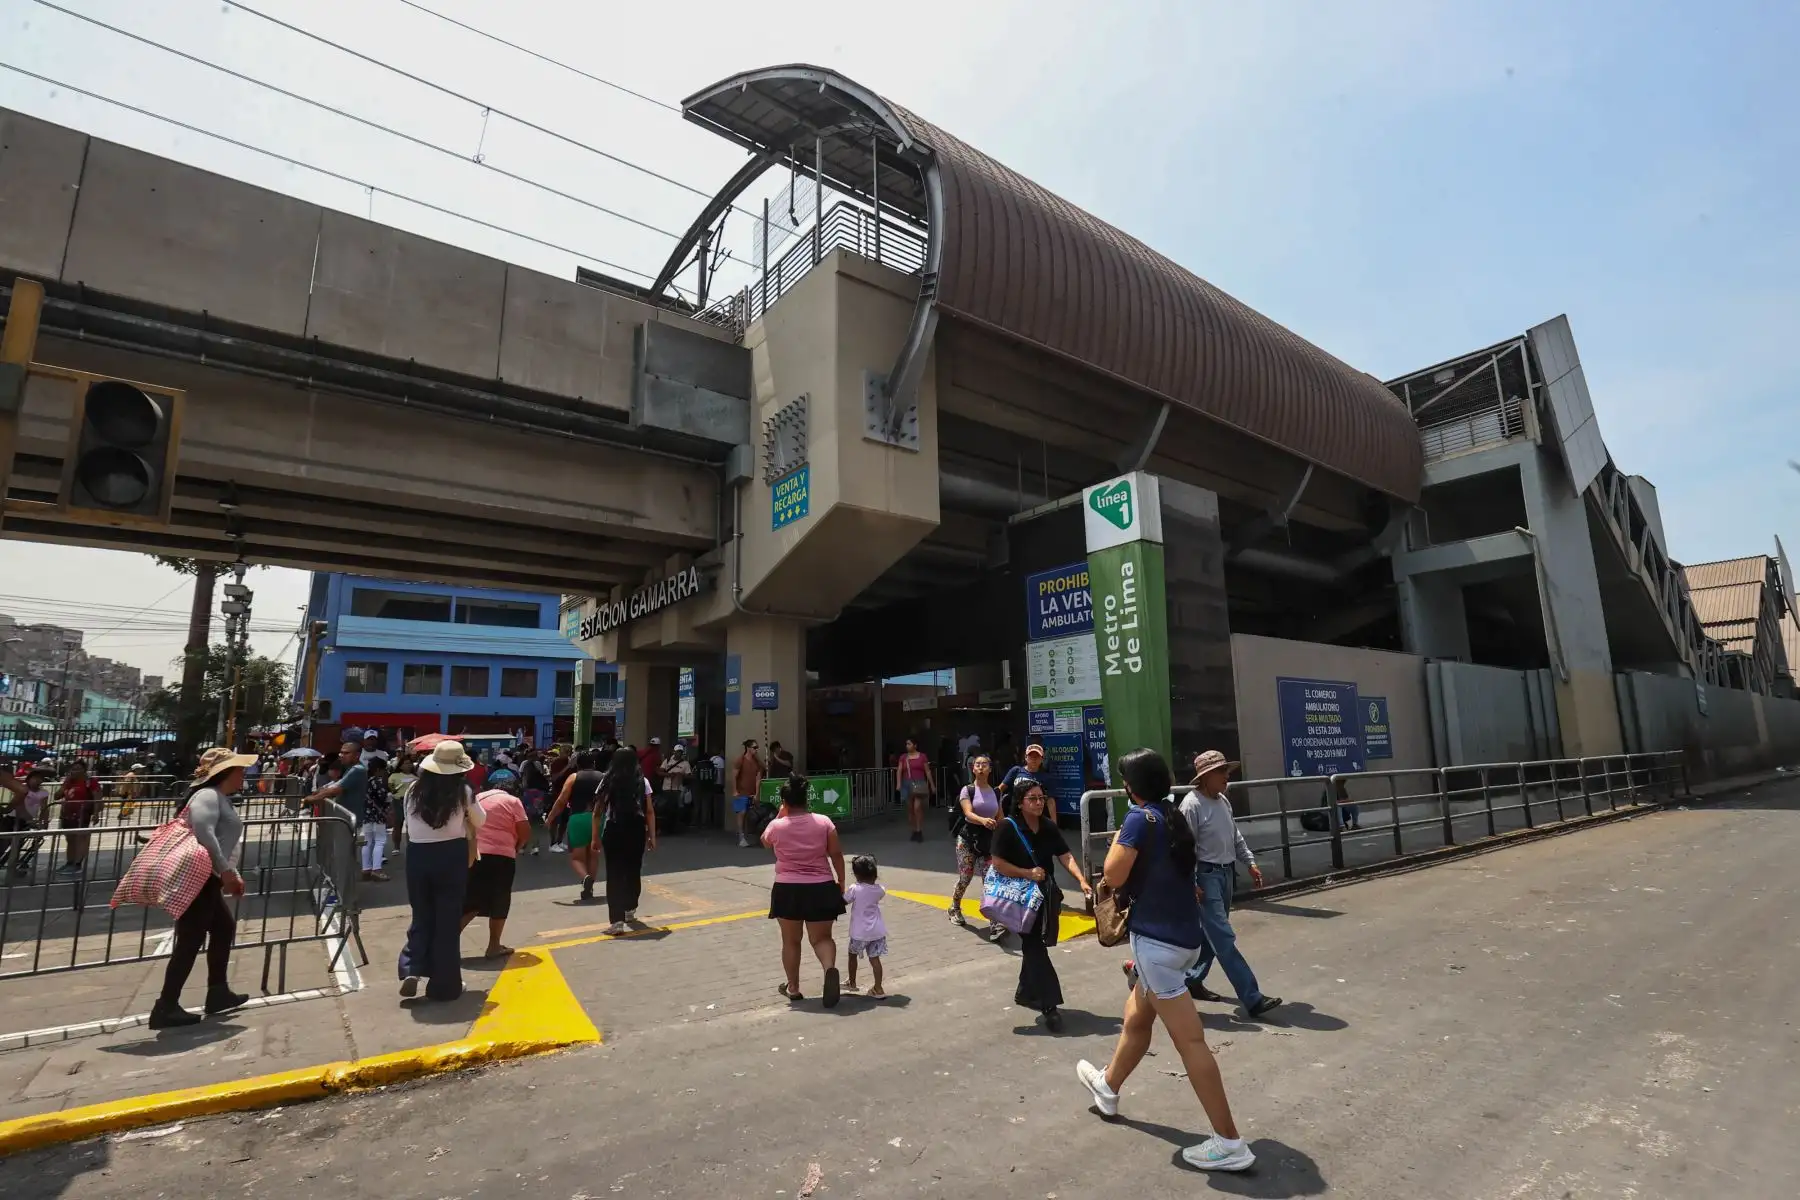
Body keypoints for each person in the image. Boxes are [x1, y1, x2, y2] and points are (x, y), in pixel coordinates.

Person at [1075, 748, 1255, 1173]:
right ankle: (1108, 1087)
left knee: (1190, 1041)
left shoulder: (1140, 819)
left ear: (1132, 787)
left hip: (1156, 945)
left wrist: (1121, 835)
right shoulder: (1173, 816)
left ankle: (1229, 1142)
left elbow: (1114, 875)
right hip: (1184, 939)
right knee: (1137, 1015)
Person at [150, 747, 256, 1029]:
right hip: (200, 879)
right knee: (189, 941)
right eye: (239, 769)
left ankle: (218, 992)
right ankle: (166, 1006)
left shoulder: (219, 797)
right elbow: (204, 831)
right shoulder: (208, 796)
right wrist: (226, 872)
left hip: (208, 879)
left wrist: (228, 873)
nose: (243, 773)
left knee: (223, 928)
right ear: (225, 772)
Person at [1179, 751, 1281, 1017]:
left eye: (1227, 771)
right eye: (1221, 772)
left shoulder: (1223, 801)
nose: (1226, 776)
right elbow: (1183, 848)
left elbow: (1234, 835)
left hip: (1226, 874)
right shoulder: (1192, 805)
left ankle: (1189, 980)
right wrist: (1190, 881)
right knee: (1222, 937)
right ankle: (1252, 997)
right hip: (1206, 875)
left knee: (1210, 936)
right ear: (1205, 777)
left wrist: (1250, 862)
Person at [990, 779, 1092, 1032]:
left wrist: (1081, 880)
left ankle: (1025, 992)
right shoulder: (1007, 827)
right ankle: (1050, 1005)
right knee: (1034, 944)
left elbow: (1064, 854)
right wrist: (1026, 873)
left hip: (1045, 896)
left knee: (1034, 942)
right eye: (1032, 799)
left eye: (1041, 798)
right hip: (1020, 898)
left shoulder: (1047, 826)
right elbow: (998, 864)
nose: (1038, 803)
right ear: (1020, 802)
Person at [399, 741, 485, 1001]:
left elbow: (407, 821)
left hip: (417, 855)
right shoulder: (463, 791)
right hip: (450, 855)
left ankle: (412, 968)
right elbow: (481, 820)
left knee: (422, 914)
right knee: (447, 920)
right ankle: (444, 985)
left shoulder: (413, 789)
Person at [761, 773, 847, 1006]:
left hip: (787, 888)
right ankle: (829, 968)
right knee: (822, 938)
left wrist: (781, 814)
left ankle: (793, 987)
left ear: (785, 801)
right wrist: (841, 881)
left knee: (791, 941)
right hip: (821, 887)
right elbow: (836, 854)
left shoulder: (777, 826)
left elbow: (764, 841)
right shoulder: (824, 822)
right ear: (807, 799)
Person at [462, 785, 530, 958]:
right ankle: (494, 946)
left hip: (475, 853)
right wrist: (517, 846)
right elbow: (524, 830)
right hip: (502, 855)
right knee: (500, 898)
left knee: (471, 900)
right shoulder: (513, 801)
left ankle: (445, 943)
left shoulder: (477, 797)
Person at [597, 747, 656, 935]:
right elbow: (649, 811)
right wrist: (652, 836)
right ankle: (630, 908)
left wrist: (594, 838)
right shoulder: (642, 781)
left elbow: (597, 811)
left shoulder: (607, 780)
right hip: (636, 829)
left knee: (614, 873)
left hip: (613, 829)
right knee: (633, 869)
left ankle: (616, 921)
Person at [948, 753, 1003, 935]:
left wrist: (1005, 834)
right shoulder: (968, 790)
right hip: (968, 841)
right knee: (966, 877)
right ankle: (954, 907)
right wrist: (983, 820)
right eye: (977, 764)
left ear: (989, 769)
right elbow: (968, 814)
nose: (980, 767)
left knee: (990, 881)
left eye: (984, 764)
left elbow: (1000, 817)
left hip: (988, 842)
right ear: (973, 769)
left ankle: (995, 922)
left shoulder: (996, 792)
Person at [545, 750, 606, 902]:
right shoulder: (603, 777)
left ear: (577, 764)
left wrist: (550, 818)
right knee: (594, 855)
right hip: (598, 818)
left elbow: (561, 800)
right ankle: (589, 888)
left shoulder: (573, 777)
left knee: (576, 858)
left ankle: (585, 877)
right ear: (594, 762)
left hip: (578, 818)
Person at [842, 855, 888, 998]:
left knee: (852, 955)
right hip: (876, 932)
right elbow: (878, 893)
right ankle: (878, 988)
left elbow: (844, 901)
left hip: (859, 932)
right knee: (875, 959)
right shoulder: (880, 889)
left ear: (856, 874)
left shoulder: (855, 889)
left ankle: (852, 982)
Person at [0, 767, 50, 873]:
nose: (37, 781)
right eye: (34, 778)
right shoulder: (22, 789)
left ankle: (13, 866)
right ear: (29, 779)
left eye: (40, 778)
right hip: (12, 818)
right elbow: (15, 804)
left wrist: (43, 822)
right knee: (4, 842)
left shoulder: (43, 793)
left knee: (18, 844)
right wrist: (6, 811)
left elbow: (44, 809)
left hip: (25, 821)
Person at [55, 759, 100, 876]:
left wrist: (96, 813)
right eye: (73, 769)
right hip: (67, 814)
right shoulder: (69, 782)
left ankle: (78, 863)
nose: (75, 771)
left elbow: (97, 798)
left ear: (84, 770)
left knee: (80, 838)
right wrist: (64, 785)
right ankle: (69, 862)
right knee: (70, 839)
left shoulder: (90, 782)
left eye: (78, 769)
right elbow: (56, 796)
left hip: (83, 814)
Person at [895, 737, 934, 843]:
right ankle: (913, 830)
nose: (907, 746)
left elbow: (927, 771)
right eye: (906, 744)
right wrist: (898, 784)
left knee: (917, 807)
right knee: (910, 809)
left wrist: (932, 785)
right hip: (906, 784)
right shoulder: (903, 757)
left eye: (909, 744)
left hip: (919, 783)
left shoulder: (922, 757)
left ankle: (919, 830)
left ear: (915, 745)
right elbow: (899, 770)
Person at [997, 743, 1046, 818]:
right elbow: (1000, 789)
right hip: (1015, 813)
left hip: (1036, 814)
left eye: (1037, 757)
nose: (1034, 759)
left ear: (1042, 759)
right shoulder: (1016, 771)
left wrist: (1054, 824)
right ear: (1026, 757)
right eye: (1031, 757)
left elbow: (1050, 801)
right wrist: (998, 810)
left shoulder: (1045, 776)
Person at [732, 739, 764, 849]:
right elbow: (734, 776)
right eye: (754, 747)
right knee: (742, 813)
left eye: (757, 747)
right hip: (741, 792)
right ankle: (741, 837)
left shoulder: (757, 762)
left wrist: (757, 794)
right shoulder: (740, 760)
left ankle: (749, 836)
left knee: (751, 815)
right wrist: (735, 790)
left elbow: (758, 778)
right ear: (748, 748)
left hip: (752, 793)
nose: (756, 750)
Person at [657, 745, 693, 834]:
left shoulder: (685, 763)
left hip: (677, 789)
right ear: (674, 752)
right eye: (677, 752)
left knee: (675, 808)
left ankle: (673, 827)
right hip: (666, 788)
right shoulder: (668, 761)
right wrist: (669, 775)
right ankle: (665, 828)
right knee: (665, 808)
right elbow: (660, 772)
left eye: (680, 752)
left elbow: (690, 776)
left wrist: (682, 775)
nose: (679, 754)